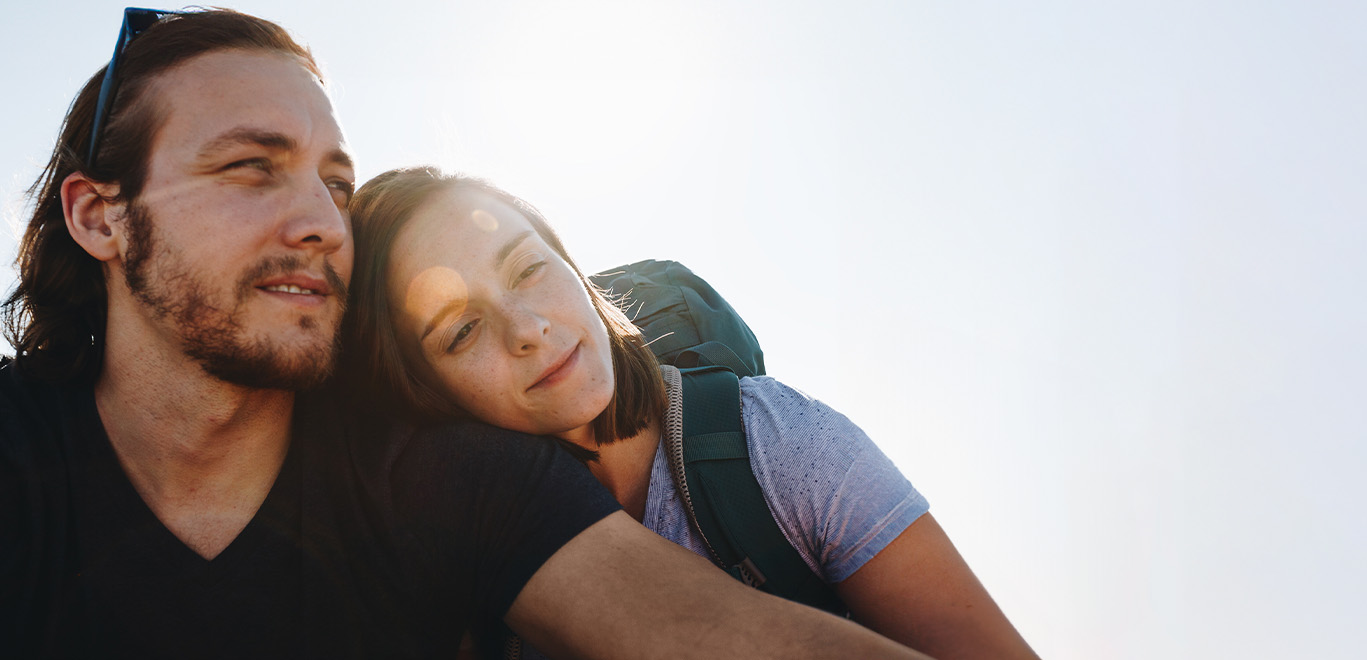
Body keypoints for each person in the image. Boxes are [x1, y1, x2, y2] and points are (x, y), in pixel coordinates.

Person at [0, 8, 932, 658]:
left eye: (334, 180)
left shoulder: (442, 478)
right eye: (251, 167)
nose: (325, 220)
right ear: (98, 218)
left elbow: (720, 637)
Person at [344, 167, 1041, 659]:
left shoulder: (775, 443)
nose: (527, 328)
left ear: (572, 266)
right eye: (461, 330)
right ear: (422, 391)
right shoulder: (463, 575)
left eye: (528, 268)